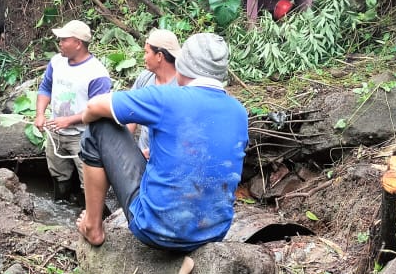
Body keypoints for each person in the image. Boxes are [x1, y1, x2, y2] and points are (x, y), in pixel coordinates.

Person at [76, 33, 248, 251]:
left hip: (155, 229)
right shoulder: (239, 112)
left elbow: (93, 107)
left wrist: (84, 119)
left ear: (183, 66)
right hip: (214, 233)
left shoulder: (165, 97)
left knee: (98, 126)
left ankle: (92, 225)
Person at [34, 20, 112, 202]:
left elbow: (99, 110)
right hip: (56, 132)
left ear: (78, 43)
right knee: (59, 174)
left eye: (64, 40)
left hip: (83, 136)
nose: (59, 43)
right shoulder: (56, 62)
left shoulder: (97, 73)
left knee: (89, 182)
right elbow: (45, 88)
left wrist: (69, 121)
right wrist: (40, 114)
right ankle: (61, 205)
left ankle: (92, 219)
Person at [127, 29, 180, 159]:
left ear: (159, 56)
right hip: (142, 157)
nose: (144, 57)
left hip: (170, 159)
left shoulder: (182, 85)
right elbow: (130, 113)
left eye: (147, 52)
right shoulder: (145, 77)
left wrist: (157, 153)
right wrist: (126, 149)